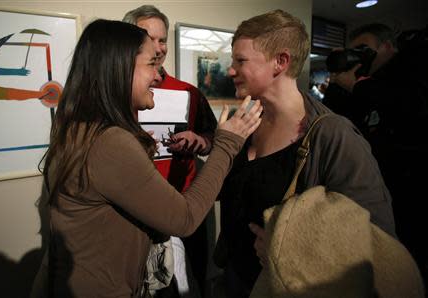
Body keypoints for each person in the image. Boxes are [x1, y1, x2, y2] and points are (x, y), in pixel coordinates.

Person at [40, 19, 262, 297]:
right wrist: (228, 143)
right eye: (151, 65)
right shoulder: (109, 142)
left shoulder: (77, 130)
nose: (158, 76)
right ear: (119, 70)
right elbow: (185, 218)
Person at [214, 10, 397, 298]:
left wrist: (292, 252)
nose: (231, 70)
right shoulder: (247, 121)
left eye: (241, 61)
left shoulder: (333, 136)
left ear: (281, 62)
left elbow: (378, 240)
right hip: (237, 281)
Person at [123, 5, 218, 296]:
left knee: (191, 284)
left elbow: (212, 137)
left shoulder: (189, 92)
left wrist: (199, 142)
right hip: (136, 212)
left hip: (185, 204)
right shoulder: (117, 92)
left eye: (162, 39)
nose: (158, 47)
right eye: (148, 38)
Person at [328, 23, 428, 286]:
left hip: (409, 191)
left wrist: (358, 86)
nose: (360, 55)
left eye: (364, 49)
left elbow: (412, 107)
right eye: (355, 51)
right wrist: (339, 80)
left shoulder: (409, 71)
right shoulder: (362, 84)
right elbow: (333, 119)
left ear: (387, 47)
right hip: (366, 190)